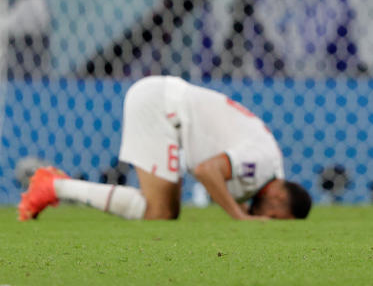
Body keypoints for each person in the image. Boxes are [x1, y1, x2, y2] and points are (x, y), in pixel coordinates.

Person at [19, 76, 311, 221]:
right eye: (273, 214)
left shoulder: (268, 168)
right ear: (278, 195)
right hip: (160, 108)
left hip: (166, 106)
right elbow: (207, 170)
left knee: (166, 214)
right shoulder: (260, 163)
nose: (266, 217)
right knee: (158, 213)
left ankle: (56, 186)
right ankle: (54, 186)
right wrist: (239, 216)